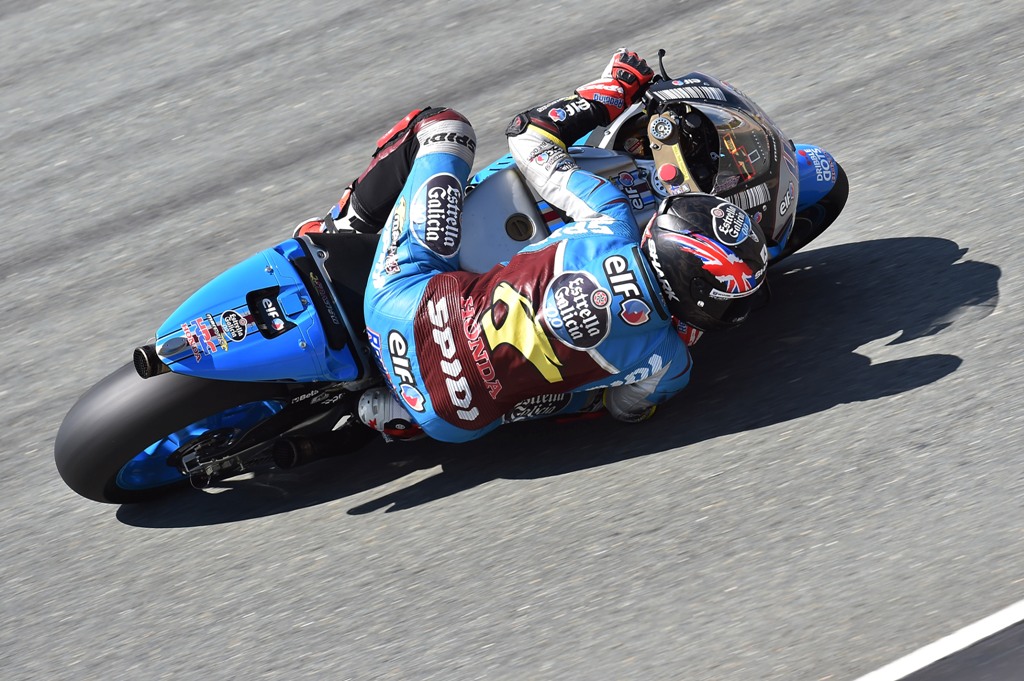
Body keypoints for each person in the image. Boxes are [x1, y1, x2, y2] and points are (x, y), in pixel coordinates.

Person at [297, 50, 768, 443]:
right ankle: (398, 414)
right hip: (452, 419)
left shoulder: (611, 219)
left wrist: (608, 92)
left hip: (397, 306)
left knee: (444, 128)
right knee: (590, 391)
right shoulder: (671, 362)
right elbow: (627, 410)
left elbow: (527, 136)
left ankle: (342, 225)